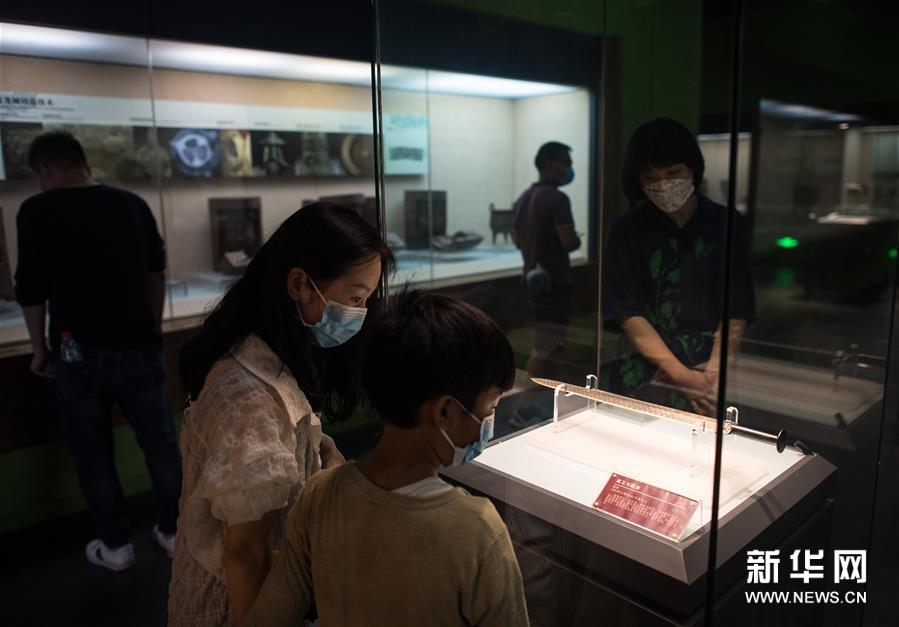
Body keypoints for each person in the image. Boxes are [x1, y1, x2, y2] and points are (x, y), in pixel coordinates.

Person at [241, 289, 529, 627]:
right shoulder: (477, 531)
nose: (489, 422)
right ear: (446, 412)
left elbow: (267, 618)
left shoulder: (318, 497)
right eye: (490, 408)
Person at [168, 203, 394, 626]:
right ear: (300, 284)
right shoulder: (252, 397)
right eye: (355, 298)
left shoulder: (264, 353)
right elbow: (247, 555)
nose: (360, 313)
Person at [14, 131, 182, 572]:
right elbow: (156, 273)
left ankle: (116, 546)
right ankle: (175, 533)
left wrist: (38, 348)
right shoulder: (131, 204)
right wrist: (152, 325)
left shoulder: (37, 210)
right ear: (84, 163)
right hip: (140, 346)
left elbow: (30, 289)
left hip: (77, 352)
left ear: (43, 170)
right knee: (161, 446)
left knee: (93, 453)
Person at [602, 118, 755, 413]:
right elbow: (626, 312)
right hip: (644, 370)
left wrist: (711, 375)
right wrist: (683, 377)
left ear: (692, 168)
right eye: (651, 178)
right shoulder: (625, 230)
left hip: (712, 373)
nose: (663, 184)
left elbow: (737, 307)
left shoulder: (726, 223)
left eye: (673, 172)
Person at [511, 141, 581, 426]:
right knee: (544, 349)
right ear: (551, 165)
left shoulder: (523, 198)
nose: (569, 170)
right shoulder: (557, 199)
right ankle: (523, 409)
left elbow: (518, 240)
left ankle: (550, 405)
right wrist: (575, 240)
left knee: (550, 347)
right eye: (566, 163)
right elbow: (569, 241)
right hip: (553, 286)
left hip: (530, 283)